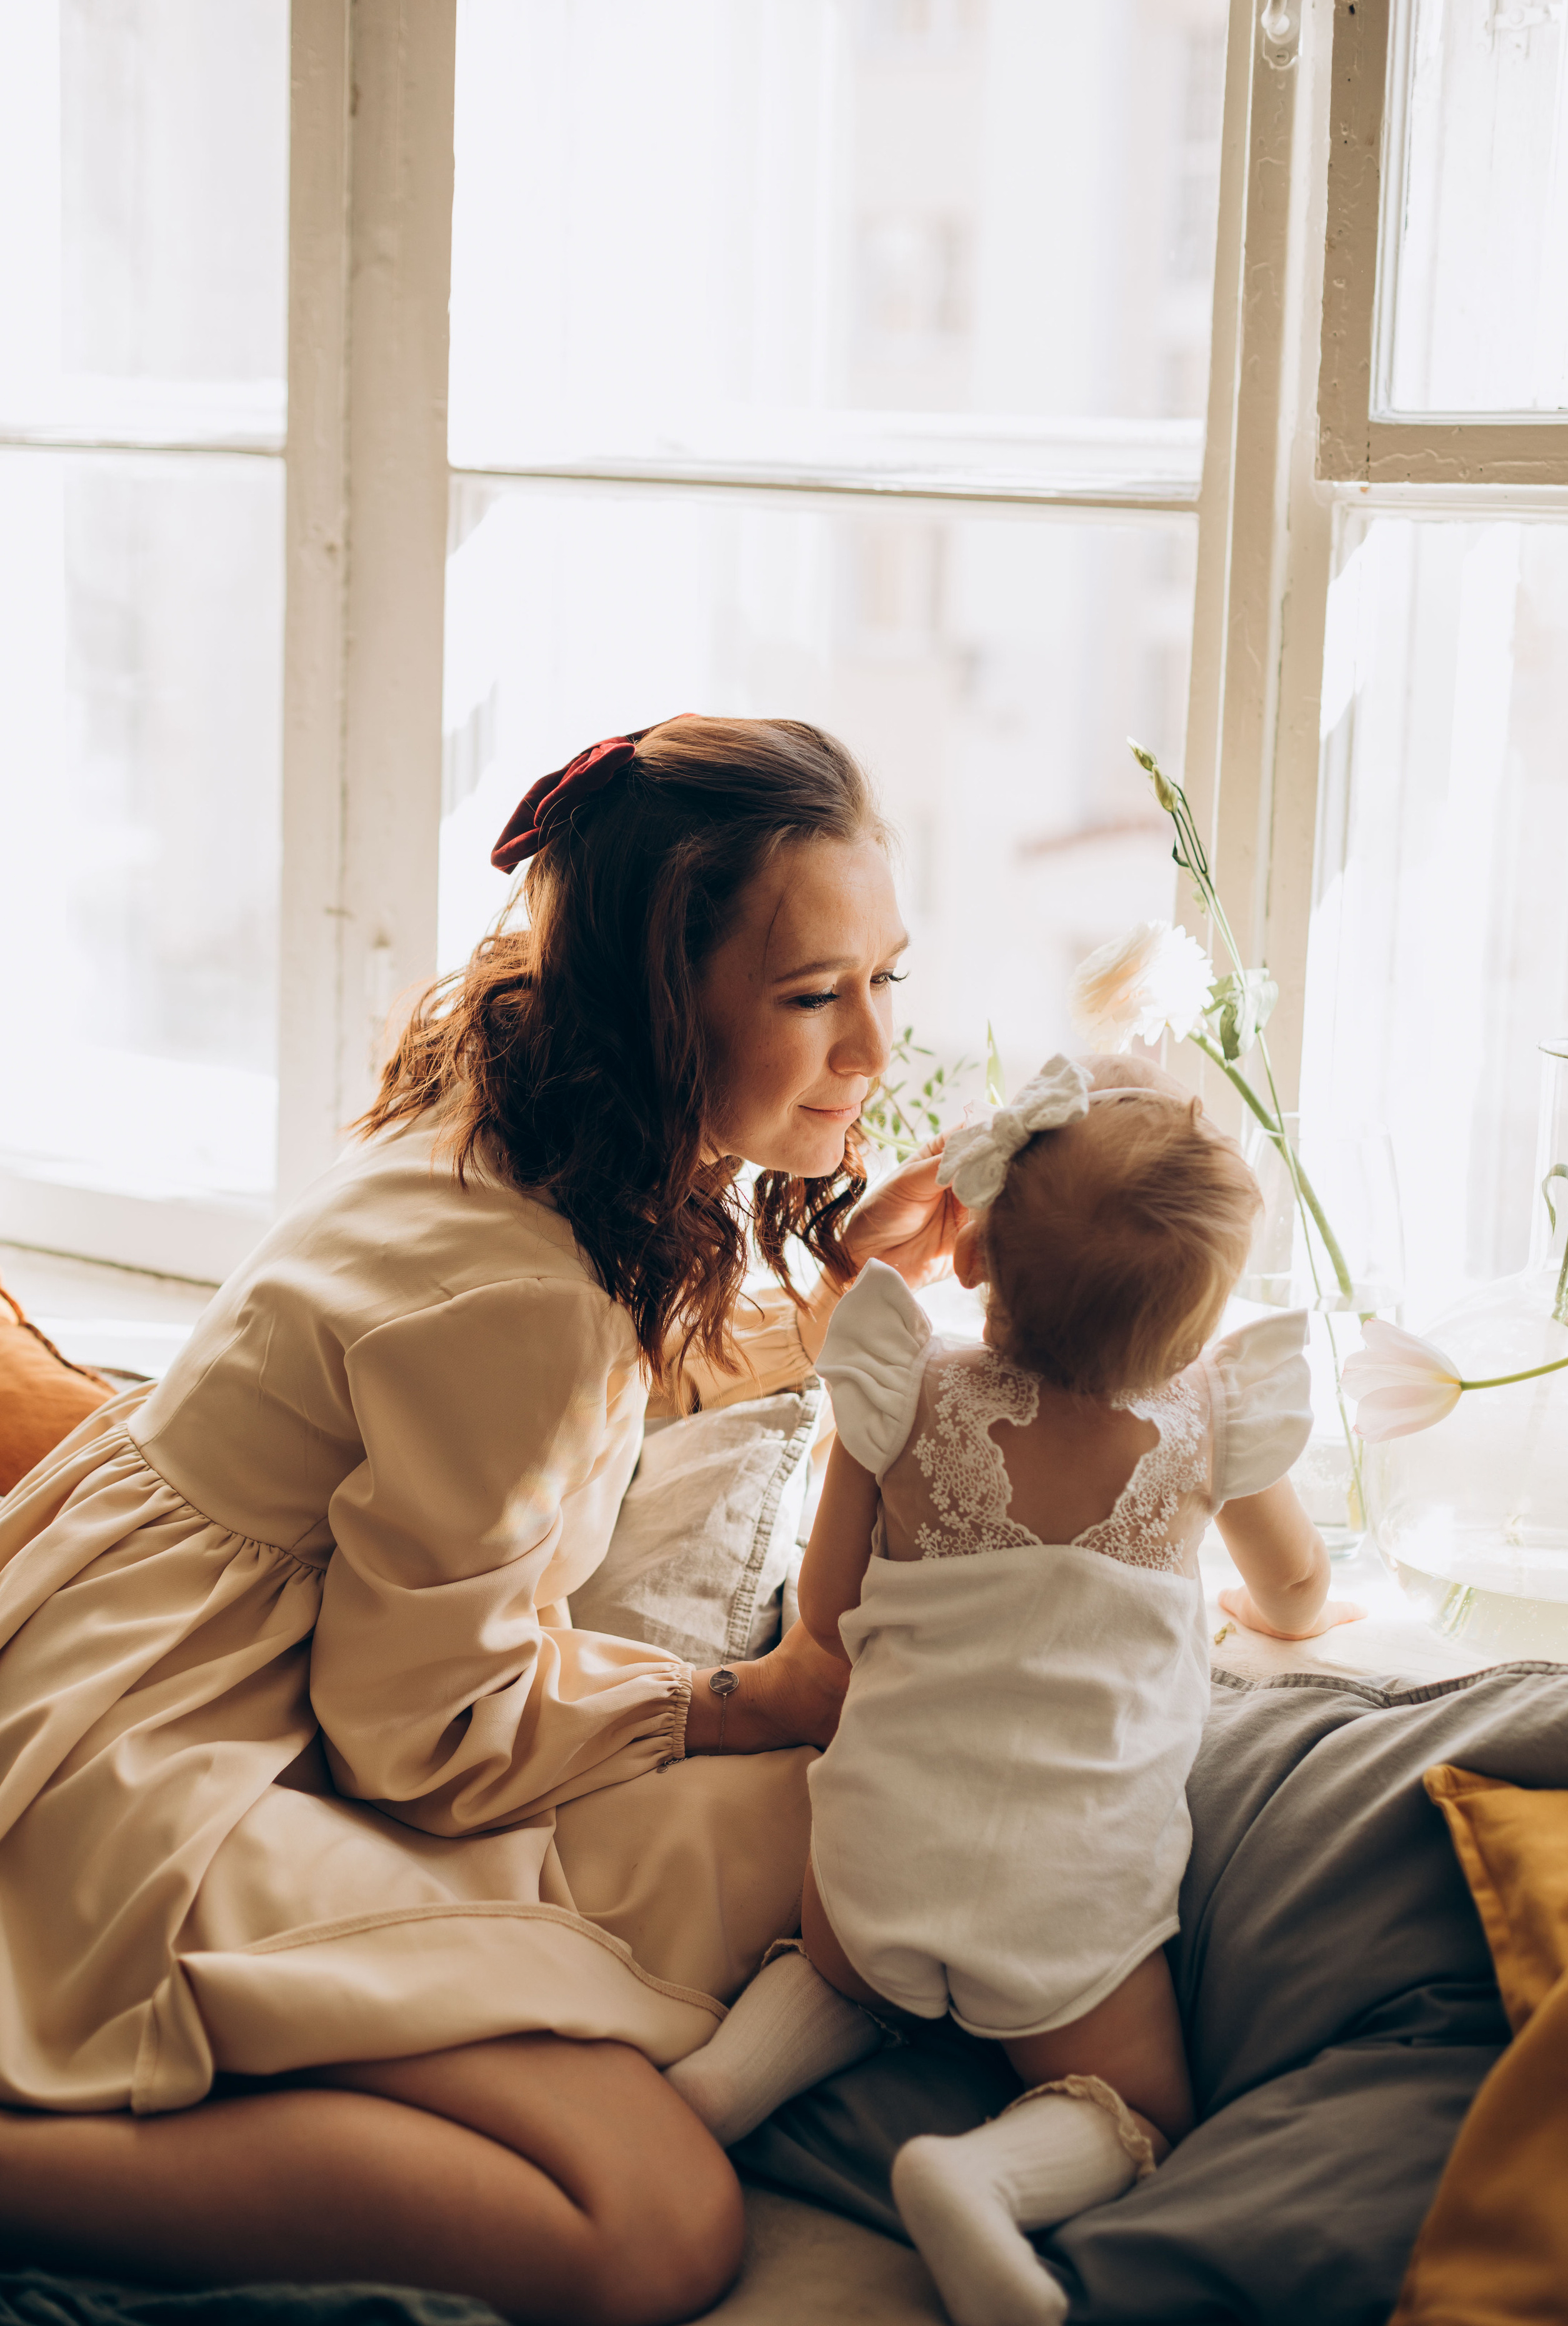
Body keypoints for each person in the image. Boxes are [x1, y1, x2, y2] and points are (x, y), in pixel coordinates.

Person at [0, 716, 972, 2326]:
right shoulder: (521, 1304)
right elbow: (423, 1742)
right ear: (663, 1017)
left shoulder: (509, 1110)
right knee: (647, 2225)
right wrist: (749, 1695)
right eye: (812, 997)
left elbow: (569, 1382)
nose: (871, 1050)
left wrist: (845, 1295)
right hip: (157, 1759)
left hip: (117, 1655)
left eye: (887, 979)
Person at [666, 1056, 1362, 2326]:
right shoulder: (1211, 1423)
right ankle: (977, 2183)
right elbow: (1299, 1589)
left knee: (839, 1965)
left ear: (974, 1258)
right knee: (1139, 2105)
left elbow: (823, 1616)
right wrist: (1272, 1615)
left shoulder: (905, 1385)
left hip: (876, 1848)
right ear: (1196, 1329)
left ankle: (721, 2083)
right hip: (1069, 1895)